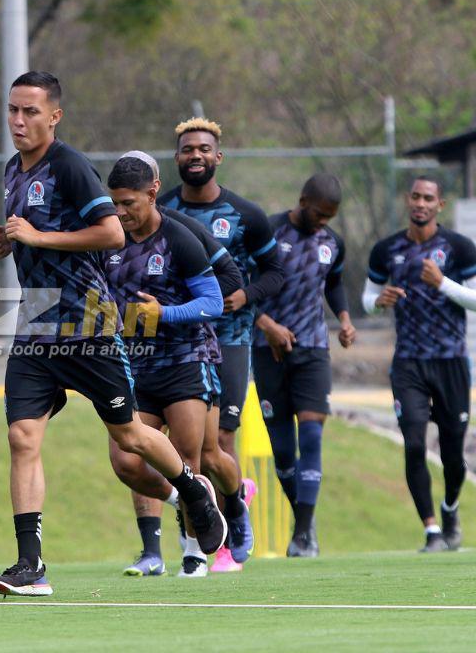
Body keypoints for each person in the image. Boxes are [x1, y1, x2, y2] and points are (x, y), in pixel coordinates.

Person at [0, 72, 226, 597]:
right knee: (21, 437)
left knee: (130, 436)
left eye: (29, 111)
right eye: (12, 110)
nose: (18, 121)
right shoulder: (11, 170)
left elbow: (110, 232)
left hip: (88, 323)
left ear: (54, 116)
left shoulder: (69, 165)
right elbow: (35, 238)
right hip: (37, 326)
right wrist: (9, 241)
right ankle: (31, 566)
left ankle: (191, 490)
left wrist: (39, 236)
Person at [103, 152, 253, 578]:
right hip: (136, 363)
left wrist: (163, 314)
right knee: (126, 461)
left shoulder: (180, 237)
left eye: (128, 203)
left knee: (196, 455)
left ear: (151, 194)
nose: (120, 212)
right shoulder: (109, 239)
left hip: (187, 359)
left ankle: (200, 544)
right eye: (114, 203)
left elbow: (212, 302)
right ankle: (192, 507)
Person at [159, 117, 284, 571]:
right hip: (179, 342)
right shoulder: (163, 209)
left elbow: (275, 272)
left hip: (229, 339)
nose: (195, 155)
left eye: (203, 149)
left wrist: (245, 296)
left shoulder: (246, 215)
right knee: (180, 449)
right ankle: (193, 544)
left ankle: (234, 510)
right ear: (176, 159)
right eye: (187, 149)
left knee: (218, 445)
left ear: (218, 157)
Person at [363, 176, 476, 552]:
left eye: (429, 198)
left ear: (439, 205)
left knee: (453, 456)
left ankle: (449, 508)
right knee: (413, 443)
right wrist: (379, 300)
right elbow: (367, 295)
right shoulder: (387, 249)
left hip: (451, 363)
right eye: (415, 196)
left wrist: (442, 283)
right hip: (409, 363)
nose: (421, 203)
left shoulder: (459, 248)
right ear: (407, 200)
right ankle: (430, 531)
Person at [254, 173, 355, 557]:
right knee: (283, 450)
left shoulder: (332, 243)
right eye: (319, 214)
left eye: (331, 217)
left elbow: (335, 282)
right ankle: (303, 524)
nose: (324, 222)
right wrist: (267, 325)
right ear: (302, 200)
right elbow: (240, 285)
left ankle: (303, 533)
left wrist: (344, 318)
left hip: (313, 349)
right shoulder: (268, 232)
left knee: (311, 438)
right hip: (267, 350)